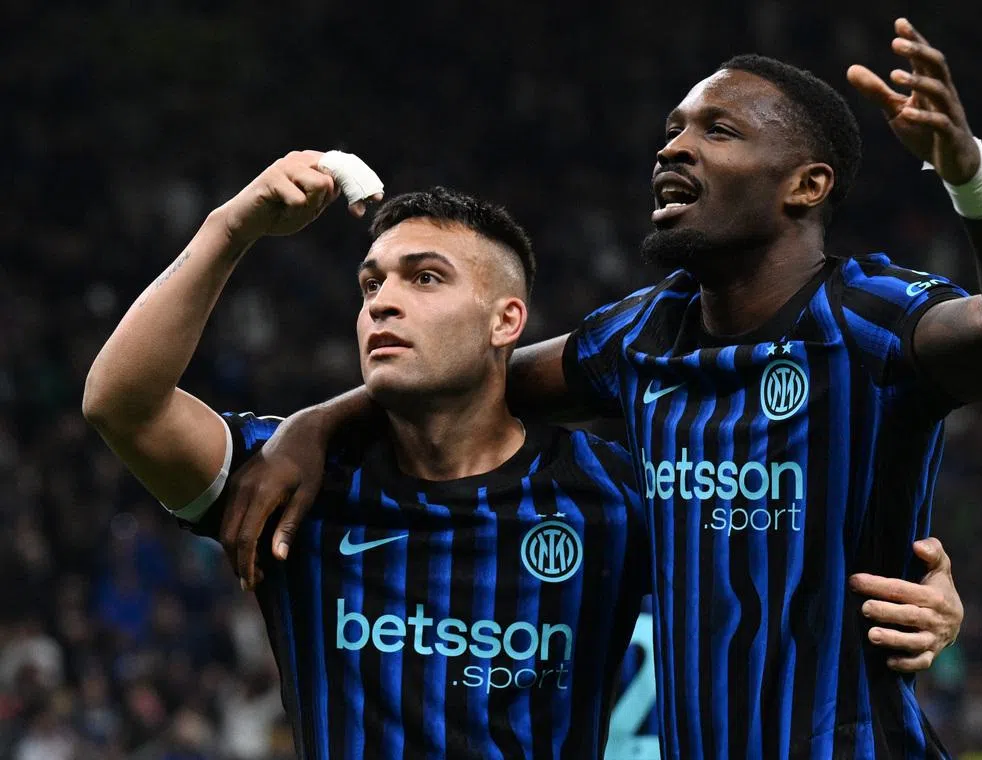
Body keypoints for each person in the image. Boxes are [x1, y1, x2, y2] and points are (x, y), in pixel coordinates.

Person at [220, 19, 982, 758]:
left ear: (805, 186)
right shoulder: (643, 336)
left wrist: (972, 181)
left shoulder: (869, 322)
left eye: (717, 129)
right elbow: (477, 376)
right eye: (673, 128)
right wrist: (315, 425)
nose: (674, 148)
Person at [83, 163, 660, 757]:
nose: (383, 304)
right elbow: (122, 405)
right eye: (371, 285)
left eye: (427, 278)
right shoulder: (297, 479)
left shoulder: (614, 498)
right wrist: (230, 228)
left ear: (506, 321)